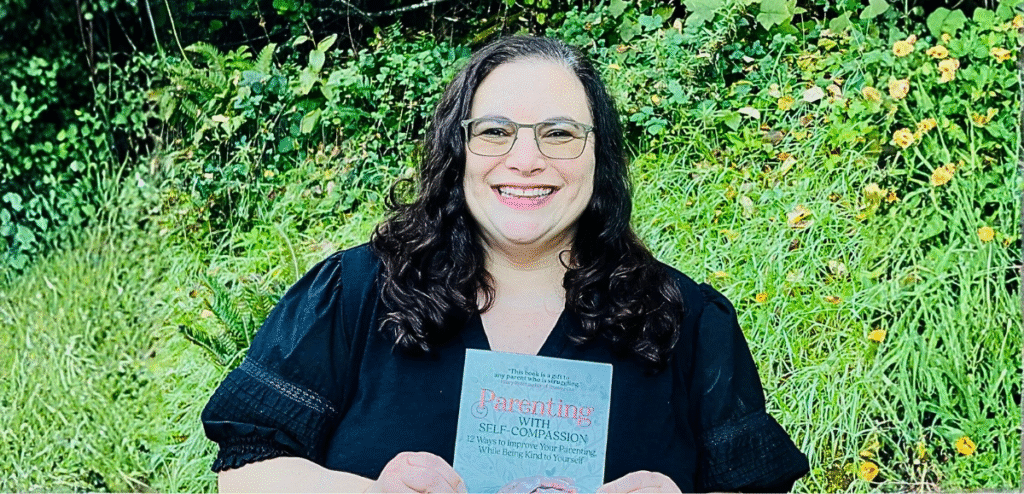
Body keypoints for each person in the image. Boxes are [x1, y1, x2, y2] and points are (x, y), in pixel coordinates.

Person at [202, 35, 809, 493]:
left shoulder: (686, 324)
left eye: (560, 133)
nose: (525, 159)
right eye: (495, 131)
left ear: (600, 155)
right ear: (458, 148)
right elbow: (243, 468)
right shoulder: (356, 293)